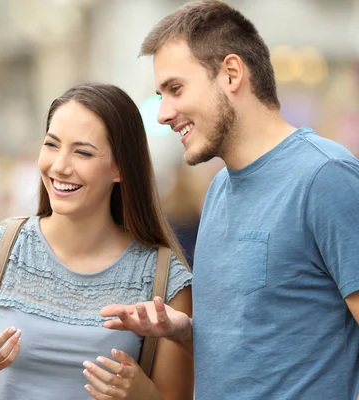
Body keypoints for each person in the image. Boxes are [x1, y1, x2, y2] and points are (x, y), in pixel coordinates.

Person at [100, 1, 359, 399]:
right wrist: (184, 330)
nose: (163, 113)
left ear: (232, 73)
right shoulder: (220, 188)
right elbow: (259, 342)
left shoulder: (326, 176)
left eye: (176, 89)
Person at [0, 83, 194, 400]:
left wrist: (143, 395)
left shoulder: (165, 280)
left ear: (121, 167)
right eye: (52, 145)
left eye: (82, 152)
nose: (59, 166)